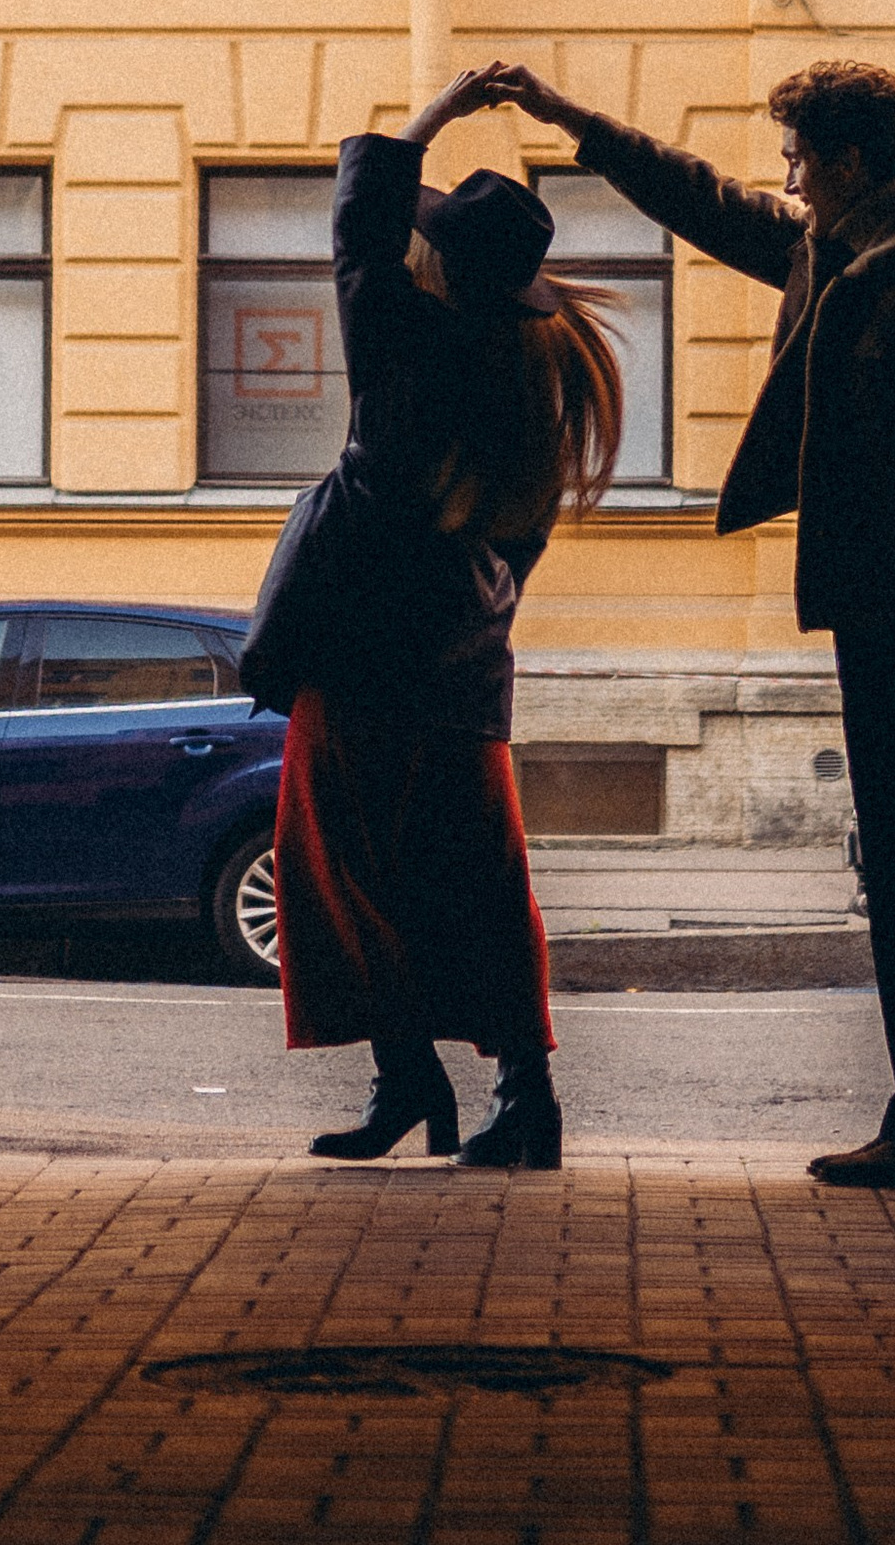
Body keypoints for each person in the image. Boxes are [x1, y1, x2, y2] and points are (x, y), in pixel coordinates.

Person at [480, 53, 895, 1191]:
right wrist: (570, 118)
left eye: (797, 158)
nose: (784, 179)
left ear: (846, 161)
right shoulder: (841, 247)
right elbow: (702, 200)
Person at [245, 67, 623, 1171]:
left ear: (442, 266)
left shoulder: (407, 352)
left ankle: (407, 1078)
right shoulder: (532, 374)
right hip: (463, 673)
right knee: (475, 885)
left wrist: (433, 117)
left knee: (336, 875)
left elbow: (357, 230)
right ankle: (521, 1098)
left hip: (363, 661)